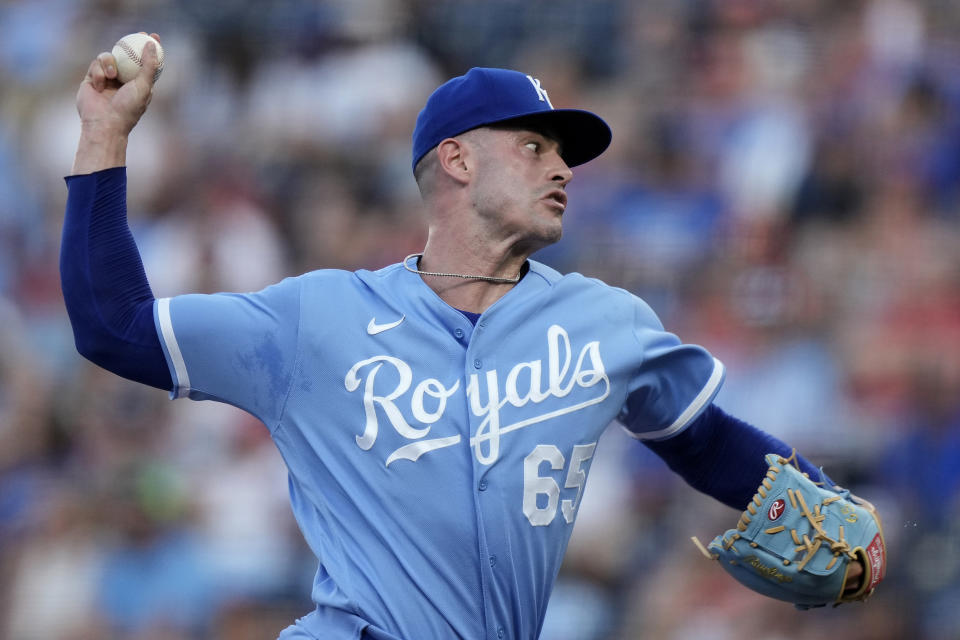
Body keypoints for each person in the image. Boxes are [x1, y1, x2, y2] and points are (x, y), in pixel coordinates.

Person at [61, 36, 866, 639]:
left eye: (562, 155)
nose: (561, 169)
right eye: (534, 145)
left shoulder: (605, 324)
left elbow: (707, 442)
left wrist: (824, 497)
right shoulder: (319, 318)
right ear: (456, 161)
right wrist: (104, 134)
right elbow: (114, 326)